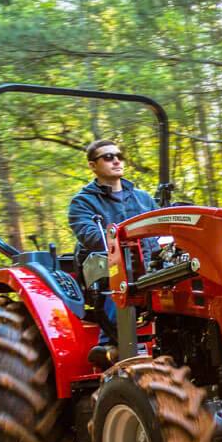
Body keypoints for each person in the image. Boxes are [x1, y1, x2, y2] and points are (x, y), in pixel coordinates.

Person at [68, 139, 158, 367]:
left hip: (151, 268)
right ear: (92, 165)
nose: (116, 160)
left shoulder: (143, 198)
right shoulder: (83, 202)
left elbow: (160, 231)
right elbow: (91, 236)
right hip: (107, 269)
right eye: (108, 157)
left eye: (119, 155)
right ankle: (111, 345)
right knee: (120, 275)